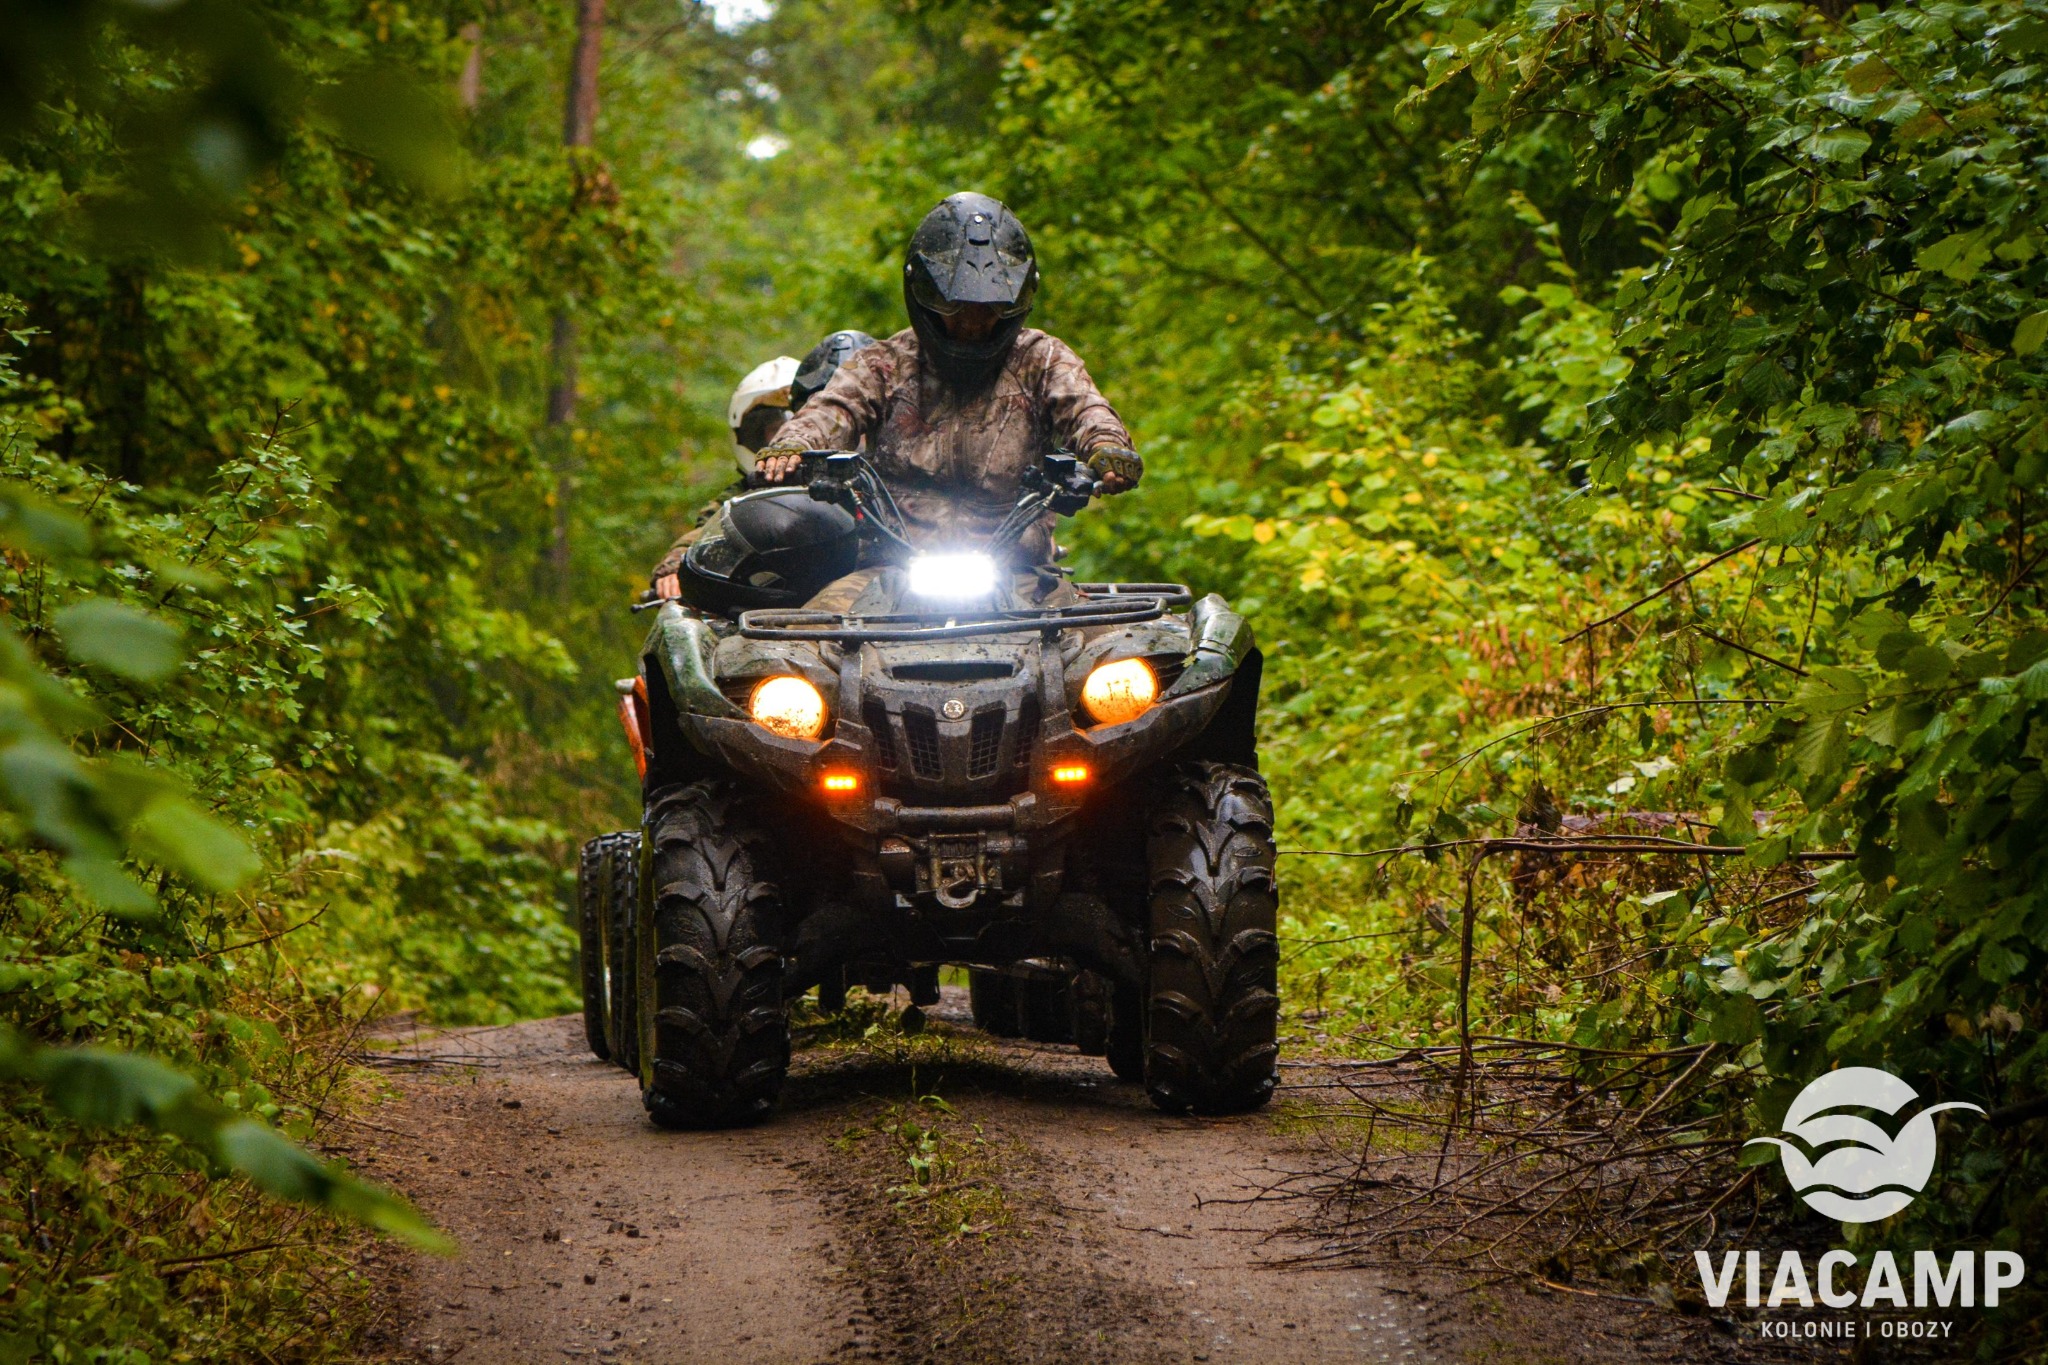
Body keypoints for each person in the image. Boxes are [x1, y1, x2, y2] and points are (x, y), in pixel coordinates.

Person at [754, 192, 1141, 593]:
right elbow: (834, 409)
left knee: (1105, 649)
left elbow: (1084, 407)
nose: (974, 323)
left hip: (1021, 576)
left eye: (990, 309)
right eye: (956, 307)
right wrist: (794, 445)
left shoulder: (1041, 359)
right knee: (803, 645)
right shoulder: (884, 364)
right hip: (888, 574)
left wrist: (1107, 448)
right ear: (925, 296)